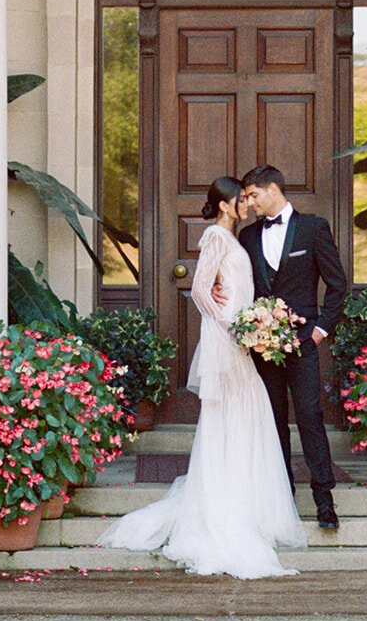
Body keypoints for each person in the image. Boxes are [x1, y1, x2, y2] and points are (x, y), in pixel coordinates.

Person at [94, 176, 306, 577]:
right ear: (224, 205)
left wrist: (256, 324)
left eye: (248, 197)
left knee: (247, 417)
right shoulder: (215, 237)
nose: (246, 203)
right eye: (239, 199)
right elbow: (201, 290)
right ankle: (222, 509)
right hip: (229, 342)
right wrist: (237, 327)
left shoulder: (235, 237)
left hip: (240, 339)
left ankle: (243, 504)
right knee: (234, 416)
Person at [237, 163, 348, 531]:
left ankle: (324, 500)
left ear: (273, 190)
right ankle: (282, 498)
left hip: (303, 344)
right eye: (247, 197)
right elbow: (242, 284)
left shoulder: (314, 228)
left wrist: (318, 333)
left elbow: (337, 286)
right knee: (272, 423)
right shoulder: (248, 237)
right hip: (262, 347)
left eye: (253, 195)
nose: (250, 204)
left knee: (310, 418)